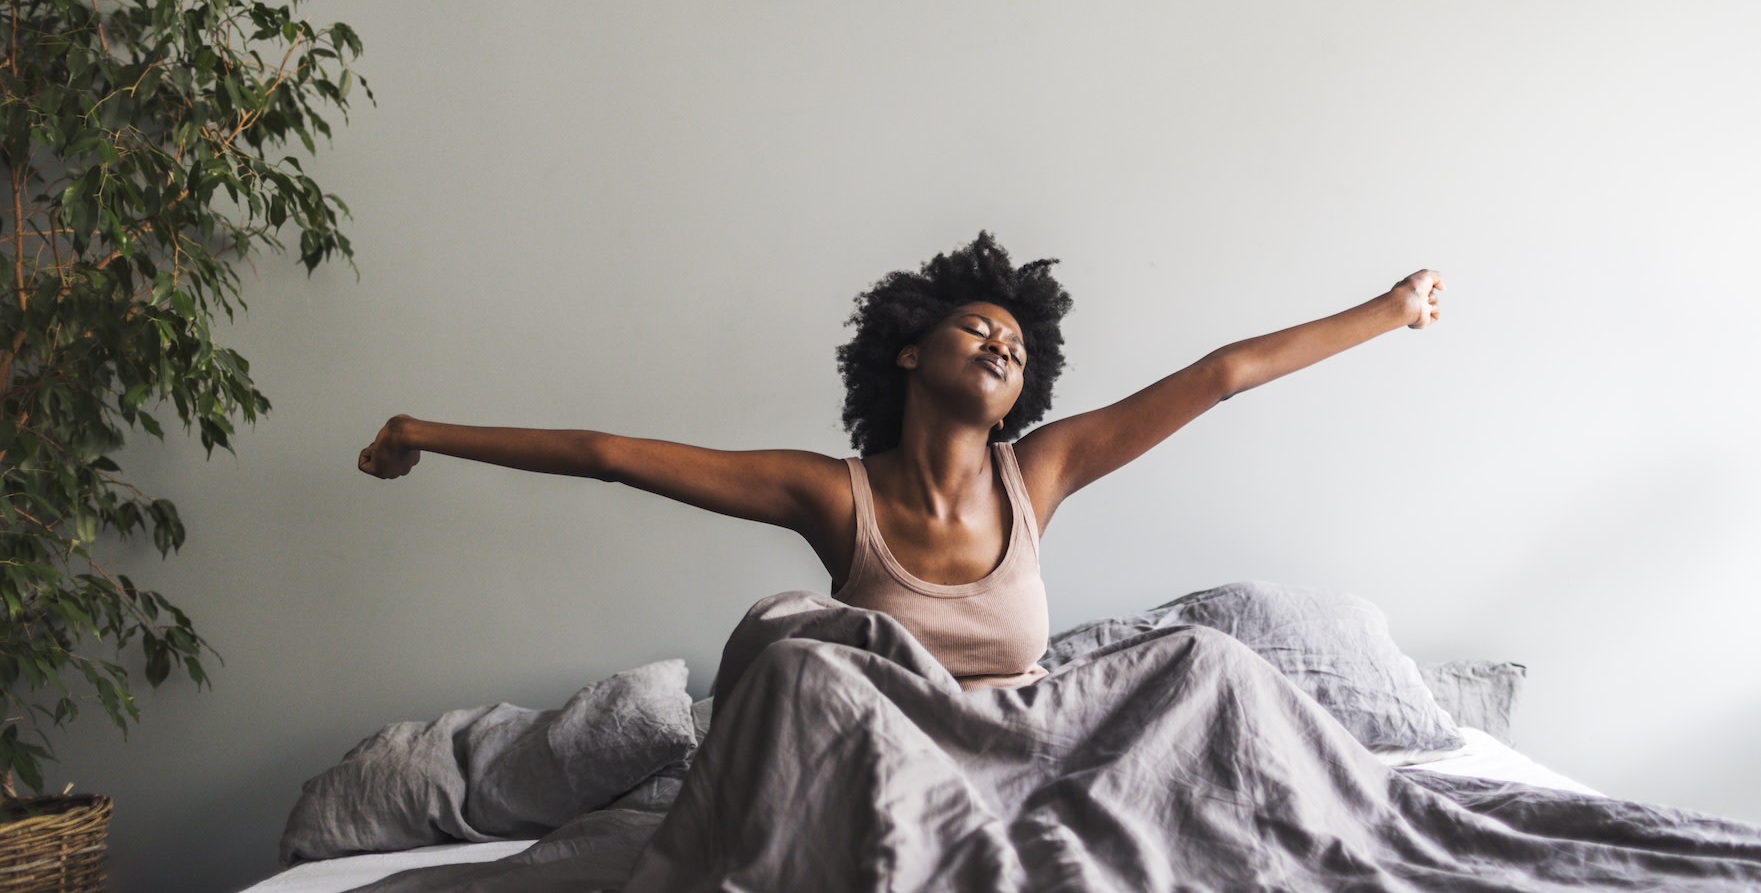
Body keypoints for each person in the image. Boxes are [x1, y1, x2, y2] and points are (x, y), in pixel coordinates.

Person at [358, 232, 1443, 689]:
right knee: (788, 646)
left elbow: (1221, 374)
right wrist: (420, 432)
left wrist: (1391, 312)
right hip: (889, 765)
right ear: (912, 351)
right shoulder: (833, 495)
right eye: (979, 329)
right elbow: (608, 454)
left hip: (1024, 758)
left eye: (1016, 347)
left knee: (1204, 668)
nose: (1003, 343)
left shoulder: (1043, 471)